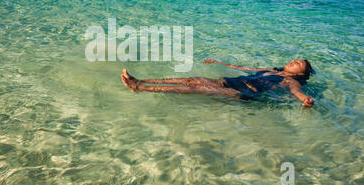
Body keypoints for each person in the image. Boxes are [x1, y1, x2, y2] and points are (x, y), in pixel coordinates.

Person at [121, 59, 315, 108]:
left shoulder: (291, 82)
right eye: (296, 59)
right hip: (234, 82)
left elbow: (298, 94)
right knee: (192, 80)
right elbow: (243, 68)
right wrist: (220, 62)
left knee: (199, 88)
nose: (294, 61)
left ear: (301, 73)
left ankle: (140, 88)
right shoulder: (271, 70)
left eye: (299, 64)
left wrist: (306, 101)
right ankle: (140, 80)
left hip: (246, 94)